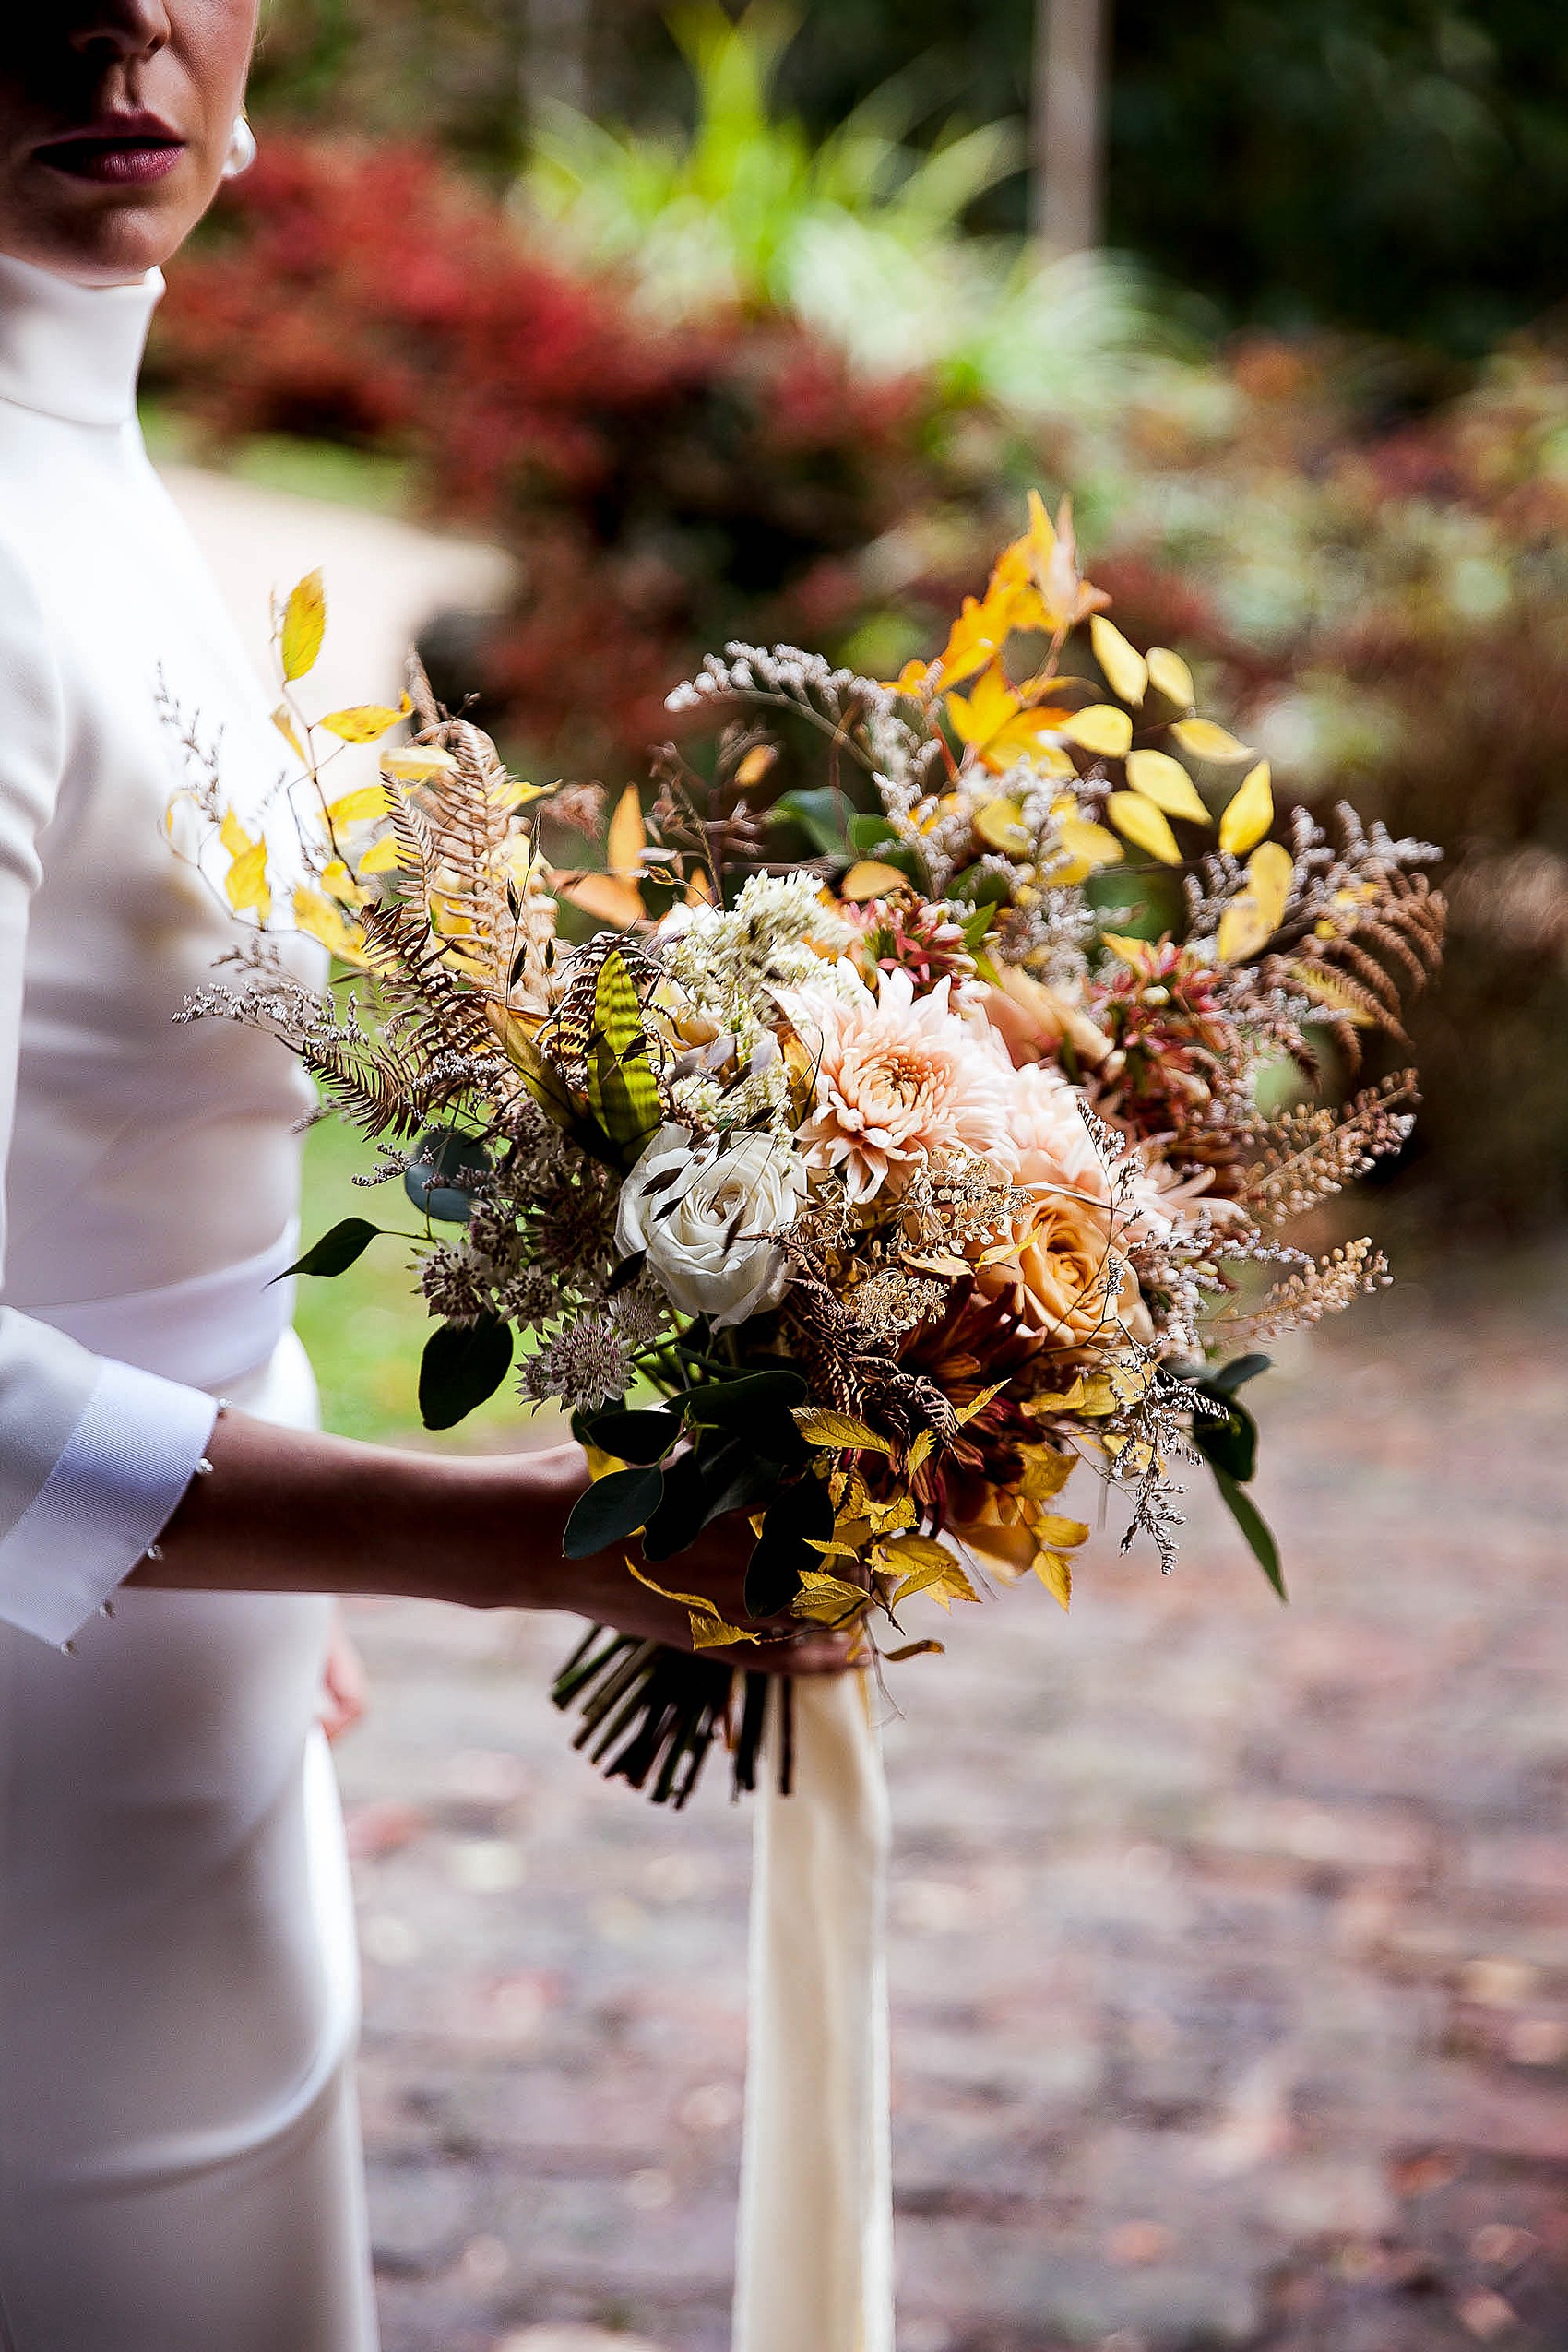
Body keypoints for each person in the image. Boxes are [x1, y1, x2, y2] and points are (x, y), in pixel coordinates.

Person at [0, 10, 844, 2347]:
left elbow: (121, 1174)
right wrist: (482, 1535)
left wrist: (266, 1553)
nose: (115, 7)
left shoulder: (80, 458)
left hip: (172, 1738)